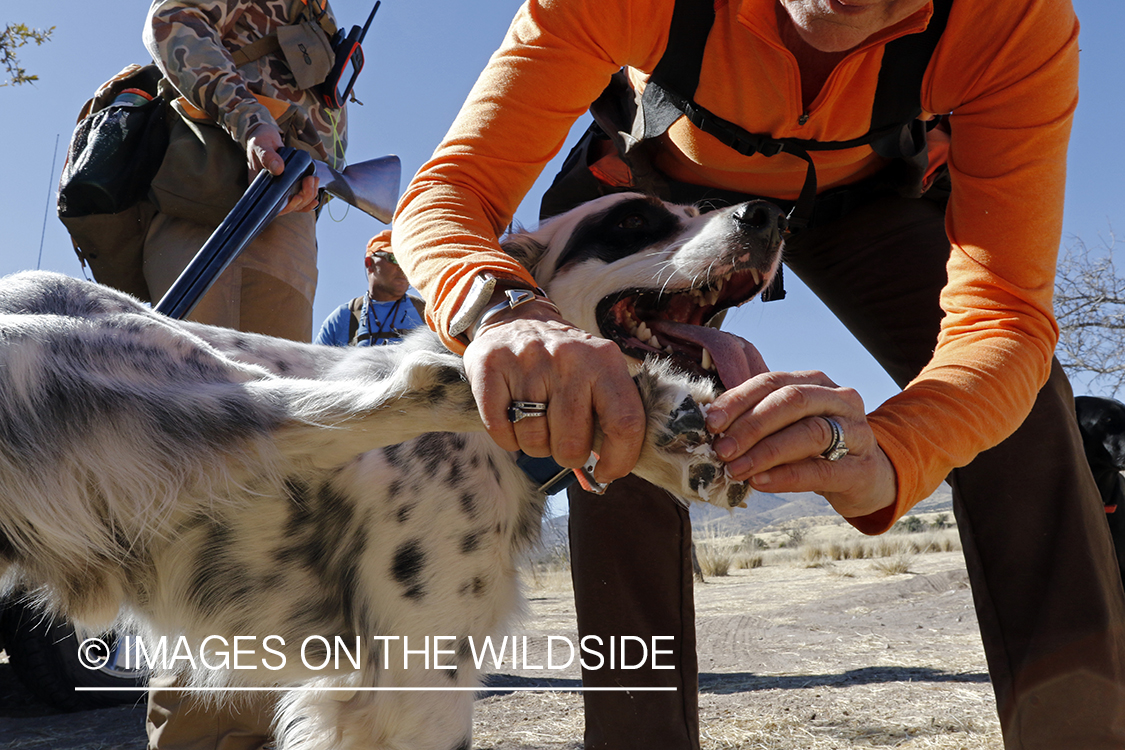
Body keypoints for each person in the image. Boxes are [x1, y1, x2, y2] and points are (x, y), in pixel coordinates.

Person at [390, 0, 1125, 748]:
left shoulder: (1011, 20)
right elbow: (452, 192)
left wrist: (896, 455)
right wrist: (507, 308)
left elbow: (1004, 322)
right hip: (654, 186)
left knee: (1027, 411)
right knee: (611, 430)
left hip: (866, 195)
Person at [141, 1, 347, 747]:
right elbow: (172, 24)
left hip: (287, 222)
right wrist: (251, 120)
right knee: (198, 463)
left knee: (276, 471)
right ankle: (192, 732)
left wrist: (321, 167)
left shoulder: (323, 15)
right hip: (211, 199)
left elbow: (323, 113)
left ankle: (260, 726)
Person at [141, 0, 343, 343]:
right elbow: (173, 18)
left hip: (287, 209)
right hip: (225, 191)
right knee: (202, 370)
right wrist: (250, 121)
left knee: (277, 373)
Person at [314, 232, 426, 346]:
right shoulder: (343, 317)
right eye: (394, 258)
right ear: (369, 264)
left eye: (406, 260)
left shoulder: (427, 313)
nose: (402, 267)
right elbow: (314, 357)